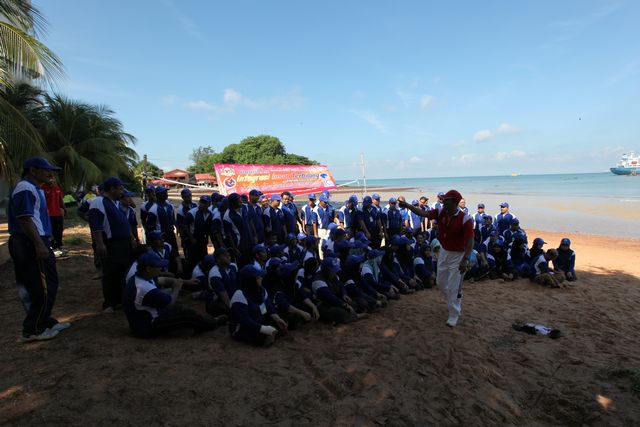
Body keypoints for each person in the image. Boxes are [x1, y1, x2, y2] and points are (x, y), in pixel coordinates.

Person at [8, 157, 71, 342]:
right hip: (28, 241)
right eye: (46, 170)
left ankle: (44, 320)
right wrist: (38, 243)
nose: (50, 174)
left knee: (49, 282)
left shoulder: (36, 189)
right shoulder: (25, 188)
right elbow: (25, 219)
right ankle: (33, 329)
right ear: (32, 170)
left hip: (37, 239)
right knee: (39, 285)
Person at [399, 190, 474, 327]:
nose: (443, 201)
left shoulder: (465, 219)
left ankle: (454, 314)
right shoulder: (440, 212)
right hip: (444, 252)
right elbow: (422, 213)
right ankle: (455, 297)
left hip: (458, 255)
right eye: (443, 199)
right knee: (440, 283)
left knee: (453, 287)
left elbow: (470, 241)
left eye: (447, 200)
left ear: (455, 202)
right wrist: (408, 205)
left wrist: (465, 259)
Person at [122, 252, 226, 338]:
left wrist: (184, 281)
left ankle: (194, 325)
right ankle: (213, 323)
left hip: (140, 320)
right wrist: (176, 288)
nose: (160, 269)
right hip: (147, 326)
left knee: (180, 308)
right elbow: (170, 303)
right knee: (187, 315)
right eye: (158, 266)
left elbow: (162, 280)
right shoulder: (145, 288)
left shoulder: (139, 277)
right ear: (148, 269)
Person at [89, 177, 137, 312]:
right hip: (111, 244)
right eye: (120, 189)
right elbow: (96, 225)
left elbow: (125, 223)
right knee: (110, 272)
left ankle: (120, 299)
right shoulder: (98, 202)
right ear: (112, 189)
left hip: (123, 243)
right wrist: (100, 244)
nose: (122, 191)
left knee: (122, 271)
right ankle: (109, 303)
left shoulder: (115, 203)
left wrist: (131, 239)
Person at [229, 265, 288, 347]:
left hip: (258, 320)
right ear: (250, 281)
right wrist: (264, 329)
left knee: (282, 322)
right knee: (264, 337)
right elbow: (245, 320)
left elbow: (269, 308)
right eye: (257, 277)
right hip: (242, 328)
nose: (261, 278)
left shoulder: (262, 291)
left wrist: (277, 319)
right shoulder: (239, 295)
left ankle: (271, 333)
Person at [183, 195, 212, 270]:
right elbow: (185, 225)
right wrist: (191, 238)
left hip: (202, 238)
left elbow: (208, 227)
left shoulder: (209, 214)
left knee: (203, 256)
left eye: (205, 203)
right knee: (192, 258)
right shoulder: (192, 212)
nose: (203, 204)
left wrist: (207, 237)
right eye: (201, 202)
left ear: (209, 204)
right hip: (193, 238)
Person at [223, 193, 253, 265]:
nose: (241, 201)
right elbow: (228, 234)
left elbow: (250, 222)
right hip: (240, 245)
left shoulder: (245, 207)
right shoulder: (227, 215)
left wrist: (254, 236)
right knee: (242, 265)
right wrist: (235, 249)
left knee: (251, 263)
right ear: (232, 203)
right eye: (238, 200)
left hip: (250, 242)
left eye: (240, 199)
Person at [41, 175, 66, 255]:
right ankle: (51, 245)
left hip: (58, 213)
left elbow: (61, 200)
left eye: (53, 179)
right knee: (50, 230)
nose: (52, 180)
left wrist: (65, 209)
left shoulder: (57, 188)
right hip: (48, 214)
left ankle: (59, 245)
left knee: (59, 229)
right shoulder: (42, 188)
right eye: (50, 179)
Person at [176, 188, 197, 260]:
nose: (189, 198)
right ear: (183, 197)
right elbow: (180, 225)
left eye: (190, 196)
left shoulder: (195, 204)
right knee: (189, 254)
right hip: (186, 235)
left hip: (195, 232)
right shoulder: (180, 210)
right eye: (187, 196)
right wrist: (183, 237)